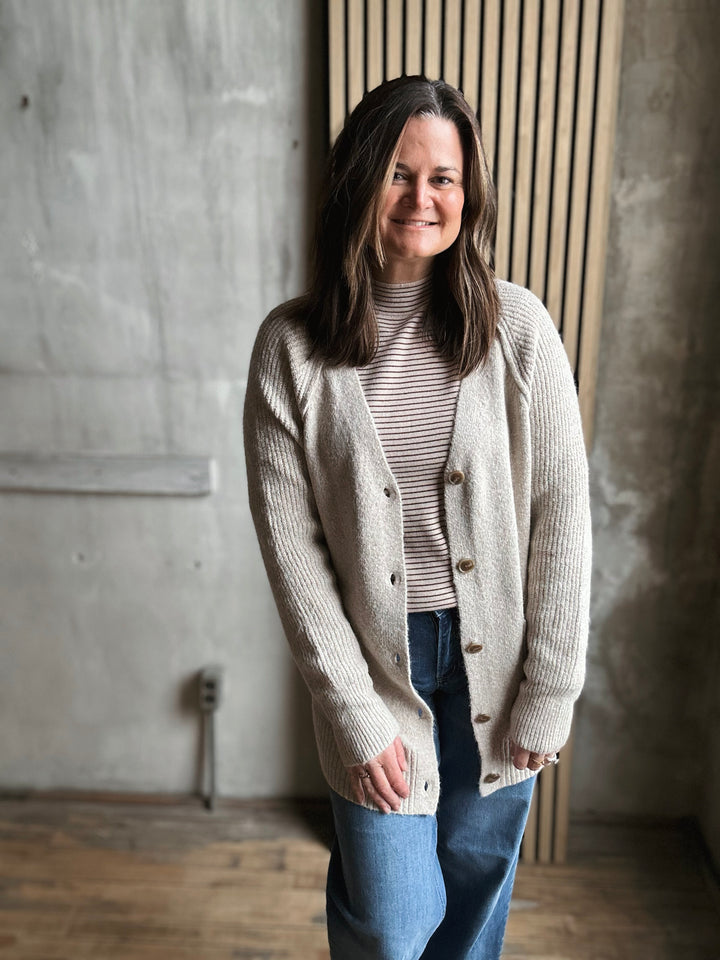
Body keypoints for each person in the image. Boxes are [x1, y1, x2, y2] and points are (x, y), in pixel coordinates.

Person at [243, 75, 591, 960]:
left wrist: (550, 689)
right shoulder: (291, 348)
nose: (422, 198)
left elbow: (562, 518)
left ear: (468, 194)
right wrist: (354, 713)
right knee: (394, 922)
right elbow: (296, 557)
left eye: (444, 177)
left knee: (473, 900)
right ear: (360, 179)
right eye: (400, 172)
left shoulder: (518, 331)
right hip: (376, 675)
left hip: (499, 670)